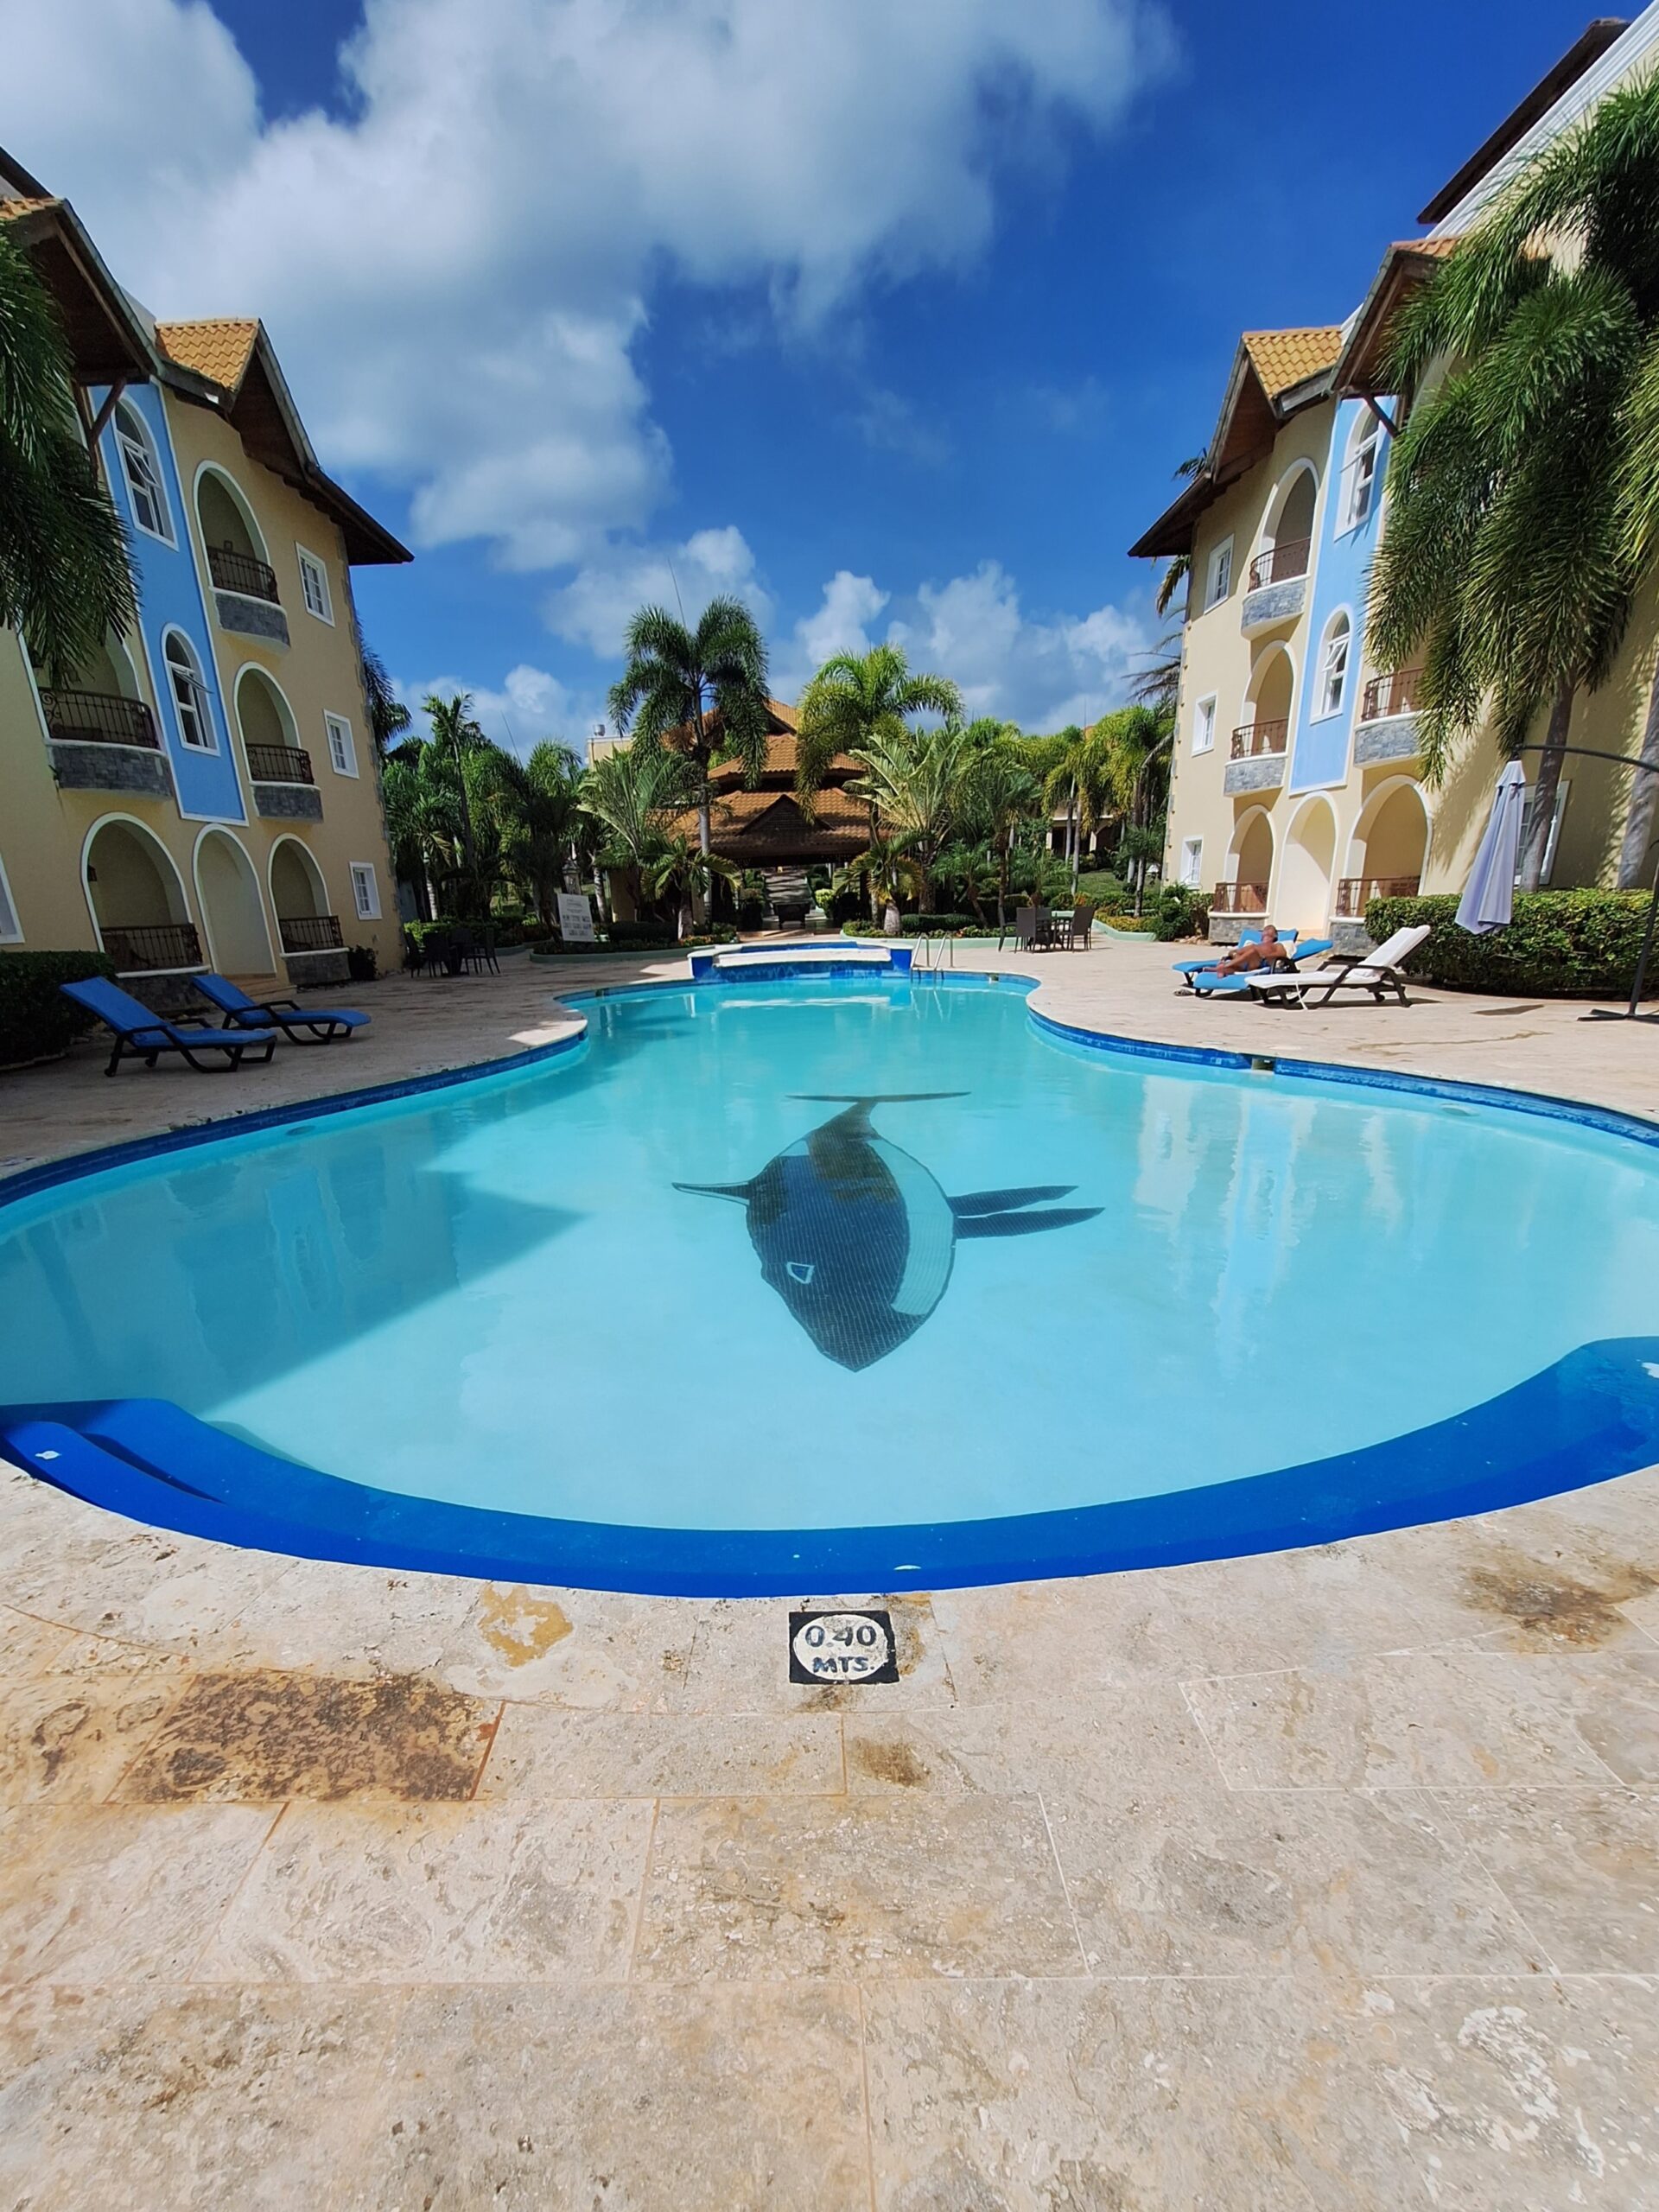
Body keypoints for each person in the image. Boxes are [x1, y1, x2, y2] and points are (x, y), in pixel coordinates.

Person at [1211, 925, 1293, 977]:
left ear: (1275, 936)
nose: (1267, 930)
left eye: (1270, 930)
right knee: (1250, 949)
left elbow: (1282, 954)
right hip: (1245, 962)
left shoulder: (1277, 945)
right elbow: (1237, 951)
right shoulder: (1255, 945)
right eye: (1265, 930)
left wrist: (1265, 956)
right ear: (1261, 936)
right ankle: (1223, 969)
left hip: (1260, 963)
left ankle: (1224, 966)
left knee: (1253, 950)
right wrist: (1233, 954)